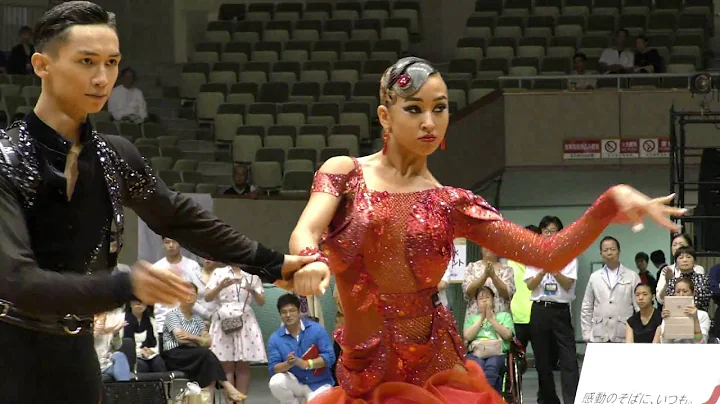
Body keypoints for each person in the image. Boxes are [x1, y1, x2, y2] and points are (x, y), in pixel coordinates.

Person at [284, 56, 684, 403]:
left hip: (437, 369)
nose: (429, 122)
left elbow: (548, 254)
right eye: (414, 109)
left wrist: (608, 204)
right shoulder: (344, 173)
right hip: (366, 369)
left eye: (439, 109)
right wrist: (309, 261)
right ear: (385, 115)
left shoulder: (452, 202)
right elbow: (306, 232)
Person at [0, 3, 316, 403]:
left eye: (112, 62)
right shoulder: (5, 158)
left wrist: (272, 262)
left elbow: (179, 218)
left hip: (76, 354)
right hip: (9, 352)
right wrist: (124, 284)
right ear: (42, 65)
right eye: (86, 61)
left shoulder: (116, 157)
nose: (102, 78)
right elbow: (18, 281)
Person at [525, 216, 580, 404]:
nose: (549, 235)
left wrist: (555, 270)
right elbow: (530, 286)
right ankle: (548, 400)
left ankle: (571, 399)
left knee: (568, 358)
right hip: (540, 309)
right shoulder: (533, 255)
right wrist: (542, 270)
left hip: (560, 310)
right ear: (540, 234)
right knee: (542, 359)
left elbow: (568, 284)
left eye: (553, 231)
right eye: (546, 231)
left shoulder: (569, 255)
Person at [162, 284, 246, 403]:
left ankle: (212, 399)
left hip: (196, 356)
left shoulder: (197, 319)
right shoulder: (173, 315)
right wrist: (199, 339)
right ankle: (229, 388)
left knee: (207, 365)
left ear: (196, 298)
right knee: (206, 355)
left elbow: (208, 342)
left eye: (192, 294)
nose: (189, 297)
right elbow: (180, 339)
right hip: (175, 355)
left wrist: (190, 337)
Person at [205, 264, 267, 398]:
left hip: (245, 319)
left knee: (243, 365)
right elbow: (208, 297)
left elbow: (261, 301)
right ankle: (230, 401)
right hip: (223, 318)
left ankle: (240, 401)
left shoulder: (252, 276)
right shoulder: (219, 272)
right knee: (226, 365)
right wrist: (220, 286)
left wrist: (252, 290)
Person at [267, 294, 336, 404]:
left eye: (292, 310)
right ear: (280, 314)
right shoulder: (275, 338)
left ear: (299, 311)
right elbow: (273, 368)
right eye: (284, 312)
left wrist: (306, 364)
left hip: (319, 383)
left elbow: (330, 357)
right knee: (276, 382)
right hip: (296, 382)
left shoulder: (317, 329)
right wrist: (288, 363)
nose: (288, 315)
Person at [581, 236, 640, 343]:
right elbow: (587, 306)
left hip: (624, 332)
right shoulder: (595, 277)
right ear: (601, 254)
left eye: (613, 249)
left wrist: (639, 332)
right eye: (605, 250)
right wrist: (586, 333)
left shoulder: (632, 276)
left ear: (619, 251)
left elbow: (639, 306)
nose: (609, 253)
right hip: (600, 332)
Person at [463, 286, 514, 393]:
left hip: (497, 353)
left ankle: (488, 396)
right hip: (476, 352)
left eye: (487, 297)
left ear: (493, 300)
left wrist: (491, 320)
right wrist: (482, 318)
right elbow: (468, 336)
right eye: (481, 299)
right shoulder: (471, 319)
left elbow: (508, 336)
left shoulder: (504, 316)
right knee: (476, 368)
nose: (484, 300)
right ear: (477, 302)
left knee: (492, 367)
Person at [653, 278, 710, 344]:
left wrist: (695, 319)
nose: (681, 294)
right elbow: (665, 343)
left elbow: (701, 343)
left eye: (685, 291)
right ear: (674, 293)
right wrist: (667, 321)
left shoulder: (703, 315)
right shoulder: (669, 313)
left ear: (693, 293)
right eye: (678, 291)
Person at [656, 233, 706, 305]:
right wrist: (667, 282)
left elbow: (700, 297)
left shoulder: (698, 269)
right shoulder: (667, 269)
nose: (677, 247)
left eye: (681, 244)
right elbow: (660, 299)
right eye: (674, 245)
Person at [123, 300, 166, 373]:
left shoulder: (151, 321)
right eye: (136, 301)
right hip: (132, 355)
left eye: (142, 302)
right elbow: (121, 344)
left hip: (149, 353)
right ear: (130, 303)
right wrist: (140, 352)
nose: (139, 304)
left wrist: (151, 351)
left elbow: (157, 345)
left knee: (158, 363)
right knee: (141, 365)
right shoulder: (122, 320)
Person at [664, 246, 711, 312]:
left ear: (694, 261)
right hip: (677, 317)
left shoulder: (704, 279)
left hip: (700, 317)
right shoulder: (672, 281)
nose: (685, 260)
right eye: (681, 258)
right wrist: (667, 282)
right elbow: (669, 303)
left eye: (688, 257)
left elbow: (703, 302)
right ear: (676, 263)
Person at [95, 308, 130, 381]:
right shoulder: (87, 330)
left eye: (104, 320)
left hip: (105, 364)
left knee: (119, 355)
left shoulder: (108, 329)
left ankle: (125, 388)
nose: (101, 323)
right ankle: (125, 388)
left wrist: (115, 334)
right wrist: (95, 333)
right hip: (92, 365)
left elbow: (117, 347)